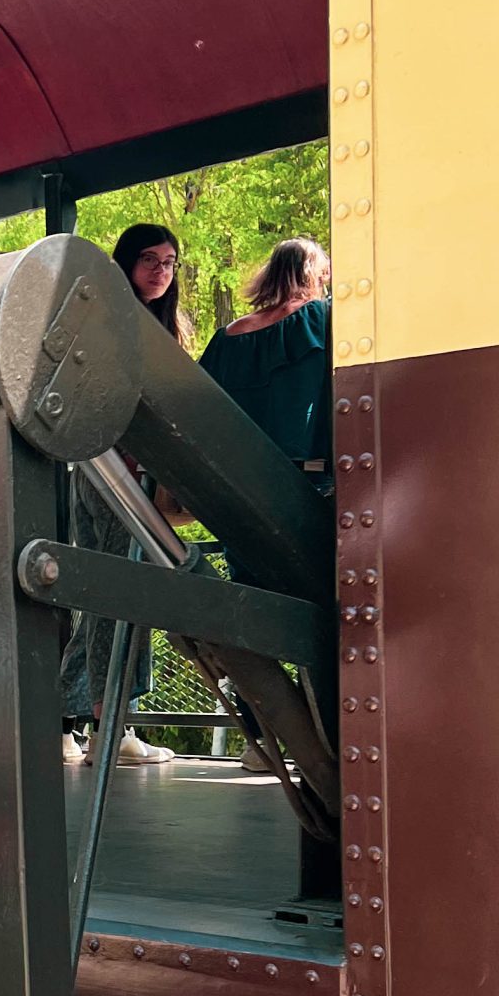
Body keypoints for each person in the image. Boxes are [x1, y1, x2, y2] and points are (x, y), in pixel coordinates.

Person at [60, 224, 191, 769]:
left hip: (98, 472)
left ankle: (62, 721)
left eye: (169, 262)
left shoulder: (135, 324)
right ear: (124, 264)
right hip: (118, 476)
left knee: (100, 603)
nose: (161, 271)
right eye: (149, 260)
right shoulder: (120, 324)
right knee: (122, 603)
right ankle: (110, 729)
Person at [197, 237, 332, 467]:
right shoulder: (318, 317)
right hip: (305, 467)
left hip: (239, 467)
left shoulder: (227, 337)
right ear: (315, 276)